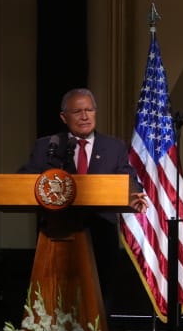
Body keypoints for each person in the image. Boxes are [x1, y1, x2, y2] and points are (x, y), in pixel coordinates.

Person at [19, 88, 149, 315]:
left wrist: (135, 194)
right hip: (57, 232)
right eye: (77, 111)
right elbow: (25, 180)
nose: (85, 116)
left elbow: (128, 180)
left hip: (100, 233)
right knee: (56, 298)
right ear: (64, 117)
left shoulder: (114, 146)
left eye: (89, 110)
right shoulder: (48, 146)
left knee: (99, 298)